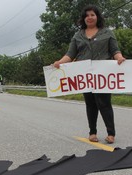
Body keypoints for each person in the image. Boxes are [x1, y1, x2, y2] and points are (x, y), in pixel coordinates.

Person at [53, 5, 126, 144]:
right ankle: (92, 133)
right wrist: (59, 62)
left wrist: (120, 58)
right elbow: (70, 54)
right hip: (84, 75)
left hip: (102, 74)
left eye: (92, 15)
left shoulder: (107, 33)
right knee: (90, 104)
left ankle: (111, 134)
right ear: (83, 19)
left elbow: (115, 51)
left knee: (104, 103)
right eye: (87, 15)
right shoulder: (78, 35)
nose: (89, 17)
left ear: (97, 16)